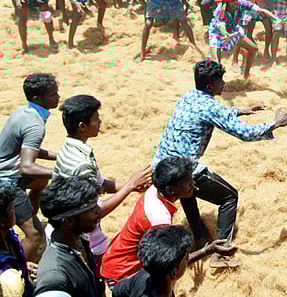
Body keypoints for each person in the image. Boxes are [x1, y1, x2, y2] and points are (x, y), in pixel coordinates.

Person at [151, 60, 287, 267]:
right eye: (221, 81)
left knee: (188, 193)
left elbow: (213, 112)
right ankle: (220, 253)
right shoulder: (211, 107)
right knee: (229, 196)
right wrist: (275, 123)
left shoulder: (189, 96)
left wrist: (240, 111)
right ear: (210, 86)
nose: (224, 84)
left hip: (161, 167)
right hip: (182, 169)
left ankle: (200, 237)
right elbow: (245, 133)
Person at [51, 94, 152, 269]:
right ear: (82, 126)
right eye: (96, 119)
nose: (100, 122)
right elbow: (93, 213)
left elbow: (101, 184)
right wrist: (129, 186)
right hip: (84, 242)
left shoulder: (69, 150)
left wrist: (134, 186)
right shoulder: (81, 165)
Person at [102, 157, 218, 283]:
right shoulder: (159, 219)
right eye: (187, 181)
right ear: (170, 190)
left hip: (115, 258)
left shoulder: (155, 190)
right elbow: (167, 265)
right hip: (123, 273)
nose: (193, 183)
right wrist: (206, 251)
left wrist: (187, 187)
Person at [0, 73, 59, 262]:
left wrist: (58, 156)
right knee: (35, 234)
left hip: (8, 170)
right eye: (53, 94)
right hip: (7, 179)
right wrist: (61, 173)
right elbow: (27, 167)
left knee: (41, 181)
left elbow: (28, 149)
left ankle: (24, 213)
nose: (58, 97)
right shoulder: (35, 124)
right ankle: (17, 270)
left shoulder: (23, 113)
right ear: (37, 98)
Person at [35, 176, 104, 296]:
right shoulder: (54, 277)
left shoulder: (79, 240)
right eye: (91, 208)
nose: (99, 210)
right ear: (69, 221)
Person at [208, 0, 276, 78]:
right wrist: (225, 34)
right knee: (216, 63)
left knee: (253, 49)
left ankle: (246, 76)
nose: (236, 1)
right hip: (217, 34)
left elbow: (261, 10)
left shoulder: (241, 3)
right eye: (233, 0)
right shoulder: (220, 10)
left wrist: (277, 19)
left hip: (233, 30)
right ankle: (216, 83)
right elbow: (220, 25)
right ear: (227, 1)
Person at [111, 226, 195, 297]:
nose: (188, 258)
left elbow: (117, 290)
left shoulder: (149, 272)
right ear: (174, 273)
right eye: (186, 257)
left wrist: (202, 251)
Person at [0, 181, 34, 297]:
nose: (15, 211)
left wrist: (22, 265)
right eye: (12, 209)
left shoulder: (9, 234)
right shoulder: (5, 275)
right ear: (2, 221)